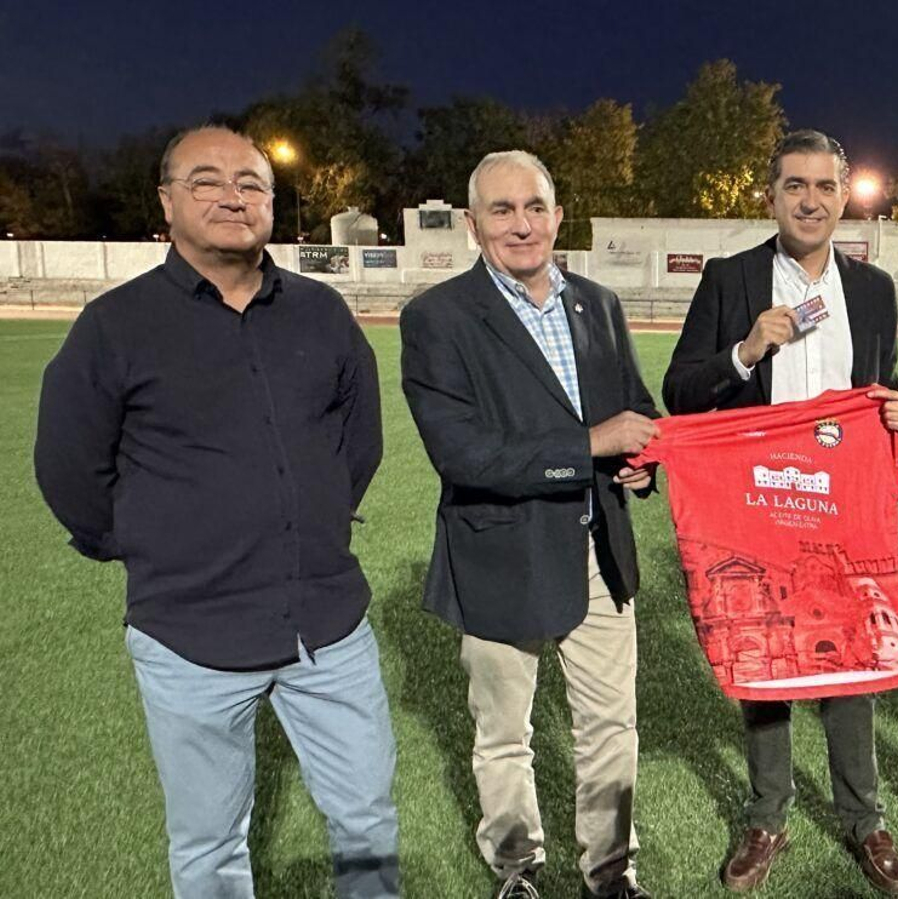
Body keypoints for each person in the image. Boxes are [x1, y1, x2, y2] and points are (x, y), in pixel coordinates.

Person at [34, 125, 400, 899]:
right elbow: (69, 470)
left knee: (366, 822)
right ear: (166, 201)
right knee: (208, 847)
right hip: (188, 634)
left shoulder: (321, 313)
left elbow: (357, 444)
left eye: (252, 184)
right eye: (207, 181)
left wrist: (318, 516)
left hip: (325, 625)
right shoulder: (114, 325)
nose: (233, 196)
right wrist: (144, 543)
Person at [399, 151, 660, 899]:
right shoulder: (438, 317)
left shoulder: (599, 304)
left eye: (536, 206)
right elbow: (464, 453)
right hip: (500, 553)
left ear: (556, 213)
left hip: (597, 547)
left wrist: (643, 461)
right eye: (504, 210)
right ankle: (518, 865)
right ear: (475, 223)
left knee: (612, 725)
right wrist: (593, 446)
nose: (523, 224)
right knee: (505, 732)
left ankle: (611, 871)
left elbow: (635, 413)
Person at [661, 129, 898, 896]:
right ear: (770, 196)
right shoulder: (732, 278)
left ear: (845, 196)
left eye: (825, 187)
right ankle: (769, 814)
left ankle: (863, 817)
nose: (810, 200)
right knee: (764, 659)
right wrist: (745, 351)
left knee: (853, 664)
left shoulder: (872, 291)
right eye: (794, 186)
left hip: (841, 510)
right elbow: (679, 391)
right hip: (755, 504)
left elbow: (883, 386)